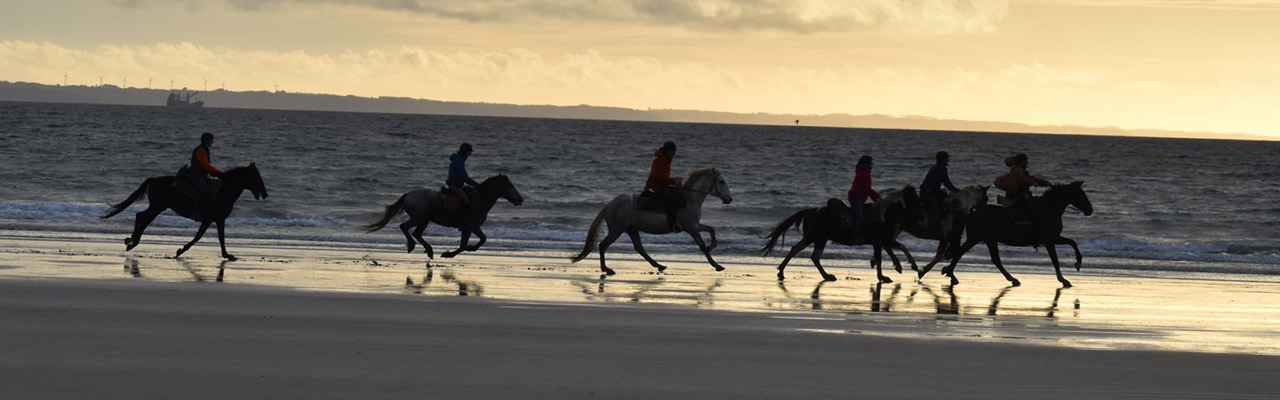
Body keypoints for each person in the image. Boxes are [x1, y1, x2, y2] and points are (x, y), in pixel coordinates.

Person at [994, 153, 1052, 228]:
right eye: (1026, 161)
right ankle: (1035, 228)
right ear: (1022, 162)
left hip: (1022, 196)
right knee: (1033, 210)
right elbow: (1021, 179)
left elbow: (1032, 178)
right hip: (1016, 198)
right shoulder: (1015, 170)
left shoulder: (1022, 171)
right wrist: (1032, 182)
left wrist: (1047, 183)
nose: (1027, 163)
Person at [645, 141, 685, 232]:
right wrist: (674, 182)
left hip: (660, 184)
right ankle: (672, 225)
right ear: (668, 151)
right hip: (658, 186)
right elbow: (662, 178)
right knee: (673, 200)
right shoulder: (662, 161)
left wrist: (675, 181)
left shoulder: (664, 160)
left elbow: (661, 177)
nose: (674, 153)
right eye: (673, 151)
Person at [920, 151, 960, 232]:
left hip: (930, 191)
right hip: (928, 192)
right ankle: (932, 226)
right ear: (943, 159)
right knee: (937, 206)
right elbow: (946, 182)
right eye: (947, 159)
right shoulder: (942, 168)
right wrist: (956, 190)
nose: (948, 160)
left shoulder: (936, 167)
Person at [847, 155, 881, 237]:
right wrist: (877, 198)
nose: (871, 166)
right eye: (870, 164)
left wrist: (877, 197)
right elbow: (867, 188)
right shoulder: (863, 174)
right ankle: (853, 234)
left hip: (859, 198)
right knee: (859, 216)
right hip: (855, 197)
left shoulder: (864, 173)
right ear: (866, 164)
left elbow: (867, 189)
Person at [188, 132, 223, 206]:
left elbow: (207, 166)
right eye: (211, 140)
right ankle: (197, 208)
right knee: (204, 190)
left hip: (201, 175)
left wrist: (216, 173)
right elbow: (205, 165)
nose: (212, 142)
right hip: (196, 175)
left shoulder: (204, 149)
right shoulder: (201, 150)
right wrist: (218, 173)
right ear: (206, 141)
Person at [447, 143, 479, 212]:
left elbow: (465, 176)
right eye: (469, 152)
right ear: (465, 152)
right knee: (466, 201)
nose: (470, 154)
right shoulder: (459, 161)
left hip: (458, 185)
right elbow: (463, 177)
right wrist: (475, 184)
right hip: (455, 186)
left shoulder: (460, 160)